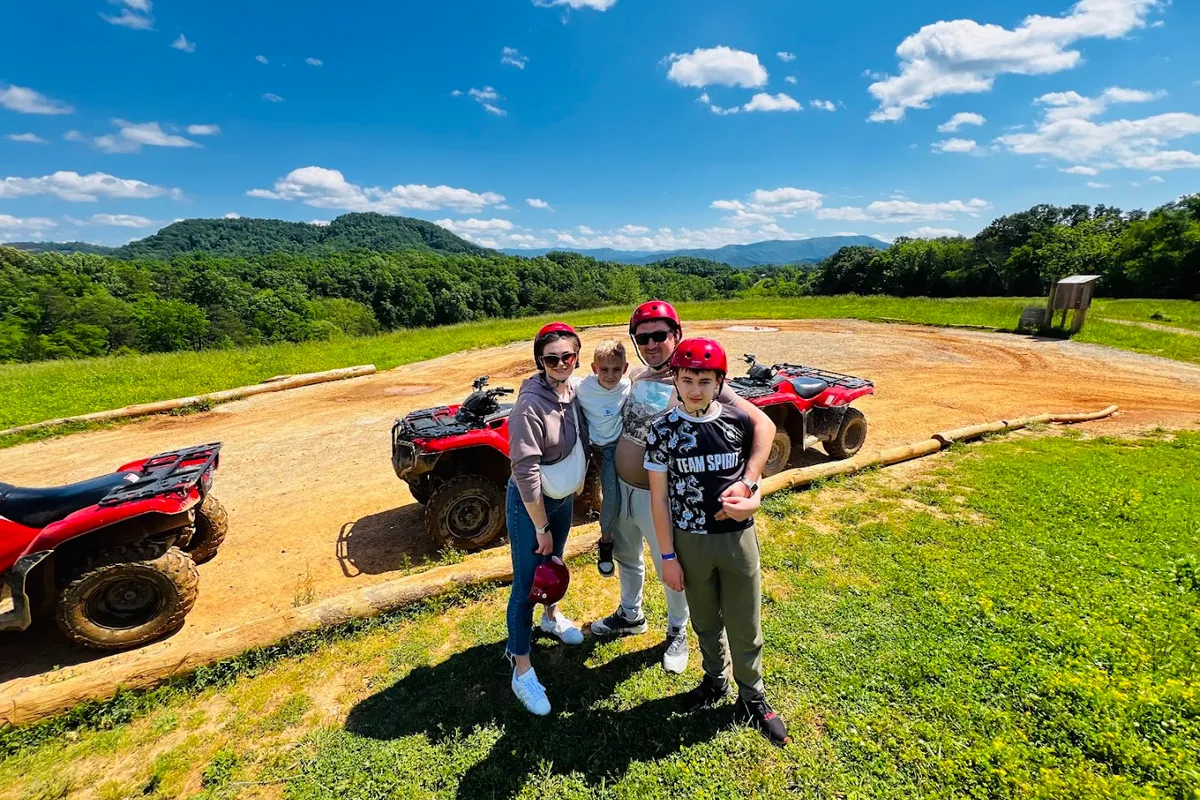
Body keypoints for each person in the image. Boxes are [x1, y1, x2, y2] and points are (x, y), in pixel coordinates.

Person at [590, 301, 775, 676]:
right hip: (622, 488)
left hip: (659, 497)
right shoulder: (639, 377)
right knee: (628, 557)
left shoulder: (695, 378)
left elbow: (764, 425)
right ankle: (630, 613)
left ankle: (677, 630)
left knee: (669, 565)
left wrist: (749, 481)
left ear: (677, 335)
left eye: (660, 335)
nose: (652, 343)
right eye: (643, 337)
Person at [645, 337, 791, 746]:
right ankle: (715, 680)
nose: (695, 389)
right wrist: (668, 556)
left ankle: (753, 695)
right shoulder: (662, 430)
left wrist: (752, 493)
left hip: (736, 540)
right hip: (689, 542)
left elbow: (754, 476)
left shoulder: (737, 422)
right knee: (706, 620)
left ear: (719, 382)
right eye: (687, 379)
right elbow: (658, 497)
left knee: (745, 622)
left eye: (705, 380)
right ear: (674, 379)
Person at [505, 321, 589, 716]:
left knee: (554, 562)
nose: (560, 363)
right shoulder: (530, 404)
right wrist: (539, 527)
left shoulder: (572, 390)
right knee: (524, 584)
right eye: (551, 358)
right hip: (531, 504)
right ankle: (521, 668)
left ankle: (551, 617)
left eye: (567, 356)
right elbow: (525, 470)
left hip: (560, 499)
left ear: (576, 356)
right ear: (540, 360)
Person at [571, 339, 632, 577]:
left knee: (631, 491)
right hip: (599, 448)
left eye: (616, 369)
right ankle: (605, 542)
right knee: (610, 495)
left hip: (623, 444)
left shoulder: (628, 385)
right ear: (594, 368)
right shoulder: (582, 386)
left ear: (625, 368)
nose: (610, 375)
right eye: (604, 369)